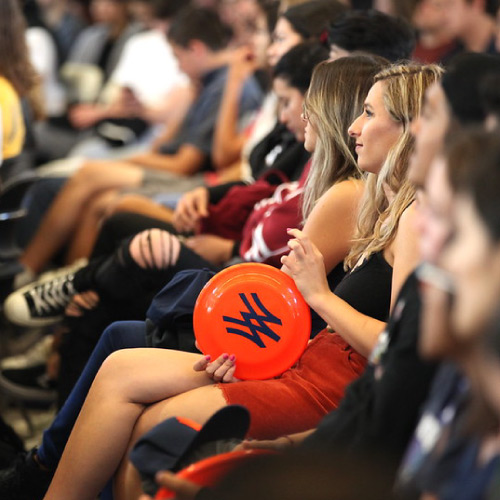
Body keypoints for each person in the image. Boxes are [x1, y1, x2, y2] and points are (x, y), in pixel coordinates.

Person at [35, 62, 438, 500]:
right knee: (120, 368)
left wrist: (319, 295)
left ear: (409, 130)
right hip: (306, 362)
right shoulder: (387, 208)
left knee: (156, 427)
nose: (355, 126)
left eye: (369, 113)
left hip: (329, 389)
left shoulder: (415, 218)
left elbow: (400, 349)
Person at [14, 5, 263, 283]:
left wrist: (123, 161)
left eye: (178, 57)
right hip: (178, 168)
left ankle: (31, 272)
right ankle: (53, 278)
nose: (178, 67)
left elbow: (186, 163)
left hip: (190, 178)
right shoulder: (206, 82)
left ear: (196, 49)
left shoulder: (226, 86)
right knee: (91, 182)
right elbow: (164, 142)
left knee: (92, 175)